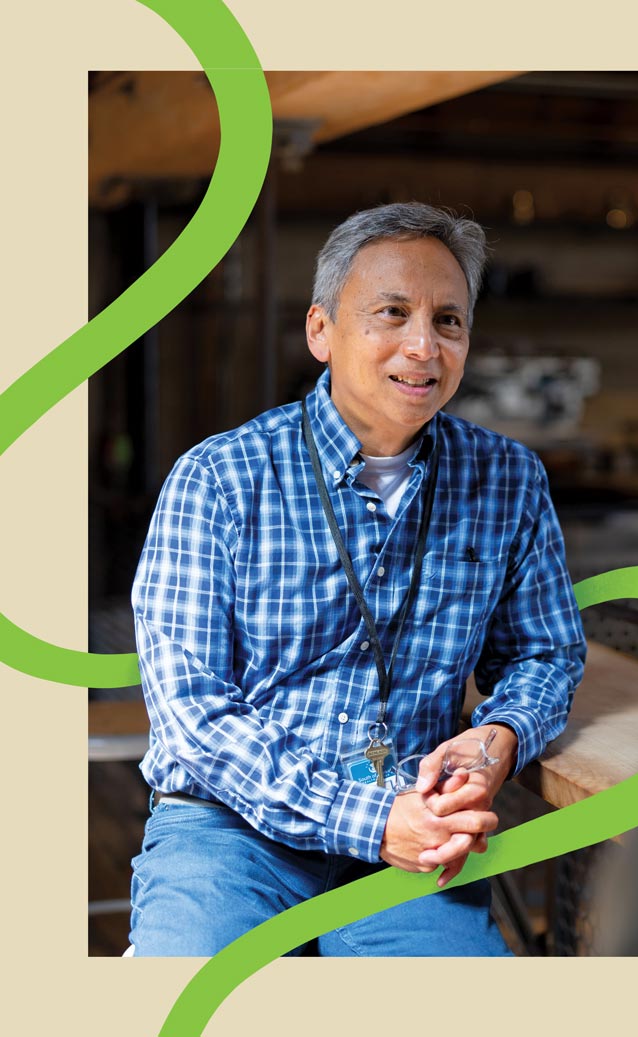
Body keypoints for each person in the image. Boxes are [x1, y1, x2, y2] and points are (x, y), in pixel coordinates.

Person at [128, 202, 586, 957]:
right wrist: (370, 818)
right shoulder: (218, 478)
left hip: (413, 831)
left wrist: (499, 736)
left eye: (448, 320)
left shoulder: (509, 480)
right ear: (321, 332)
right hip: (227, 831)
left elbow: (545, 653)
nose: (423, 345)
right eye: (392, 312)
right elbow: (192, 713)